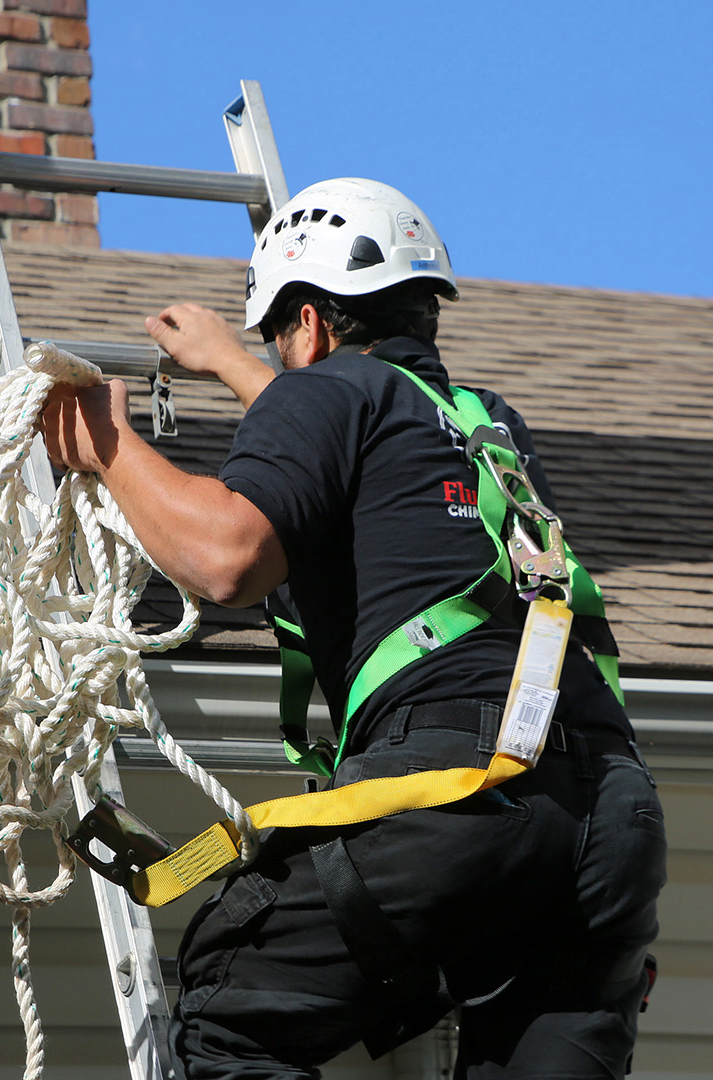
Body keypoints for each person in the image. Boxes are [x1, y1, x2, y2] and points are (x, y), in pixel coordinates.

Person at [40, 178, 666, 1079]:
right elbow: (347, 443)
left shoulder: (328, 391)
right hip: (611, 816)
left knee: (230, 1018)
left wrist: (108, 444)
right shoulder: (485, 424)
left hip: (462, 800)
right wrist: (228, 359)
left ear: (314, 324)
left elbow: (227, 556)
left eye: (278, 337)